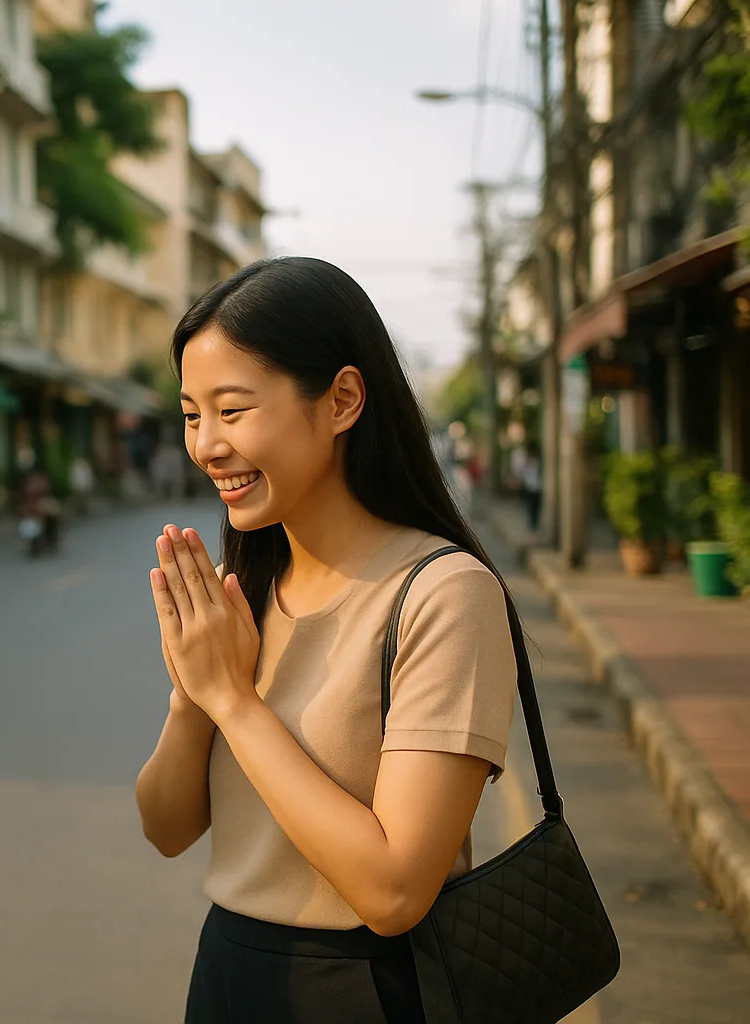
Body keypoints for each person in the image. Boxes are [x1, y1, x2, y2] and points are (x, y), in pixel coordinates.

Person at [135, 258, 519, 1024]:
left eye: (233, 410)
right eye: (190, 414)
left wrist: (235, 702)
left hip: (370, 990)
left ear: (342, 399)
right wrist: (194, 697)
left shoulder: (442, 594)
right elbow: (168, 829)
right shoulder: (241, 589)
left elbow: (395, 891)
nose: (207, 445)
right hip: (230, 975)